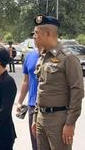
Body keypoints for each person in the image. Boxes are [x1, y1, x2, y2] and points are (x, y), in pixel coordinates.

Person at [31, 14, 84, 150]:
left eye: (37, 33)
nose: (34, 36)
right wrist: (36, 117)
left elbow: (77, 92)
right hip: (41, 119)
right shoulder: (43, 57)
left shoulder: (68, 58)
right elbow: (41, 89)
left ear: (48, 33)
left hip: (59, 120)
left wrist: (70, 123)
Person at [16, 49, 39, 150]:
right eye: (34, 34)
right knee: (35, 143)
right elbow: (26, 81)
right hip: (32, 105)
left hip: (49, 106)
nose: (35, 37)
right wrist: (19, 102)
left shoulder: (53, 56)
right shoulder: (29, 56)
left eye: (37, 34)